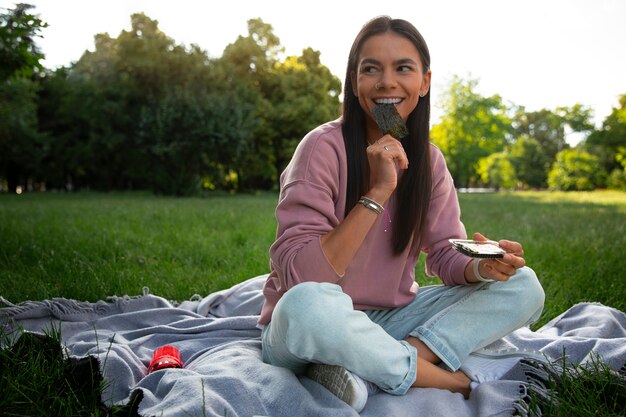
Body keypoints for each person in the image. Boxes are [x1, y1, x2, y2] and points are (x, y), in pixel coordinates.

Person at [258, 15, 545, 412]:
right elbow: (303, 278)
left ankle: (373, 362)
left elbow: (444, 253)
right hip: (308, 326)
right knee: (307, 305)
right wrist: (377, 192)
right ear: (354, 81)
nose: (386, 82)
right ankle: (440, 378)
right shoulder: (321, 148)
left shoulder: (429, 160)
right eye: (370, 68)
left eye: (403, 68)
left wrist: (484, 267)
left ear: (424, 82)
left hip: (392, 318)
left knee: (525, 287)